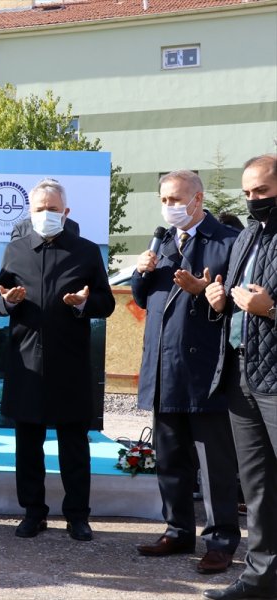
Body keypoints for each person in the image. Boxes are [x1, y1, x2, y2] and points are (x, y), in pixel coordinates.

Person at [0, 178, 115, 542]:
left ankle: (77, 515)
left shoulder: (87, 252)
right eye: (40, 209)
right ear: (30, 212)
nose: (46, 215)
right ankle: (33, 512)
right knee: (28, 444)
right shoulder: (15, 250)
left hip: (70, 365)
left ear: (67, 212)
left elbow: (106, 304)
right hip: (26, 361)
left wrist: (83, 304)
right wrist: (9, 301)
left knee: (73, 445)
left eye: (53, 209)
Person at [131, 170, 240, 574]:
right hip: (164, 369)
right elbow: (144, 300)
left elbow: (240, 307)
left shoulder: (228, 242)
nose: (169, 207)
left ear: (198, 198)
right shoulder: (161, 240)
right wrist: (142, 271)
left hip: (206, 372)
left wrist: (207, 296)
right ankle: (177, 531)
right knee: (170, 458)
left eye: (176, 199)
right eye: (164, 200)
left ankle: (221, 541)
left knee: (214, 466)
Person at [203, 154, 277, 600]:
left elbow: (263, 307)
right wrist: (217, 303)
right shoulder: (246, 237)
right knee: (258, 486)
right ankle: (260, 579)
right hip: (241, 374)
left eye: (262, 192)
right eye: (247, 193)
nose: (253, 201)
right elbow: (237, 306)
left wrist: (271, 310)